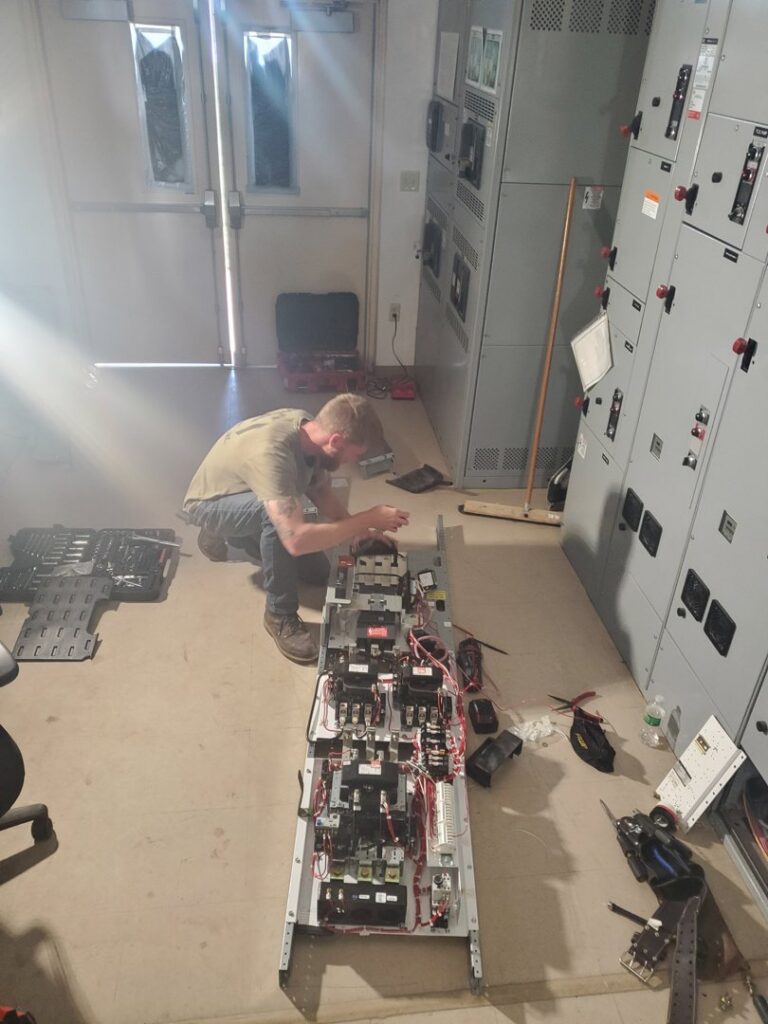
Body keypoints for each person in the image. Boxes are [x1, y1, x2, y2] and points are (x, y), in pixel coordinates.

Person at [183, 395, 409, 663]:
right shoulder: (273, 454)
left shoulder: (310, 431)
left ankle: (240, 531)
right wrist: (365, 518)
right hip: (209, 502)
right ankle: (278, 614)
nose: (352, 461)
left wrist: (357, 531)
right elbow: (296, 541)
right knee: (275, 521)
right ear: (335, 441)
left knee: (318, 573)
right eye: (354, 454)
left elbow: (319, 488)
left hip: (250, 486)